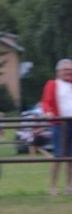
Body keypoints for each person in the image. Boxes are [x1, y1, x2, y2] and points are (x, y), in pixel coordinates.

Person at [40, 58, 72, 196]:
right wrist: (48, 112)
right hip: (60, 123)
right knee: (58, 156)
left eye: (70, 70)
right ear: (59, 72)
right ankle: (53, 186)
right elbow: (46, 101)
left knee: (71, 157)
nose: (69, 72)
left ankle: (69, 186)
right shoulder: (53, 84)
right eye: (66, 70)